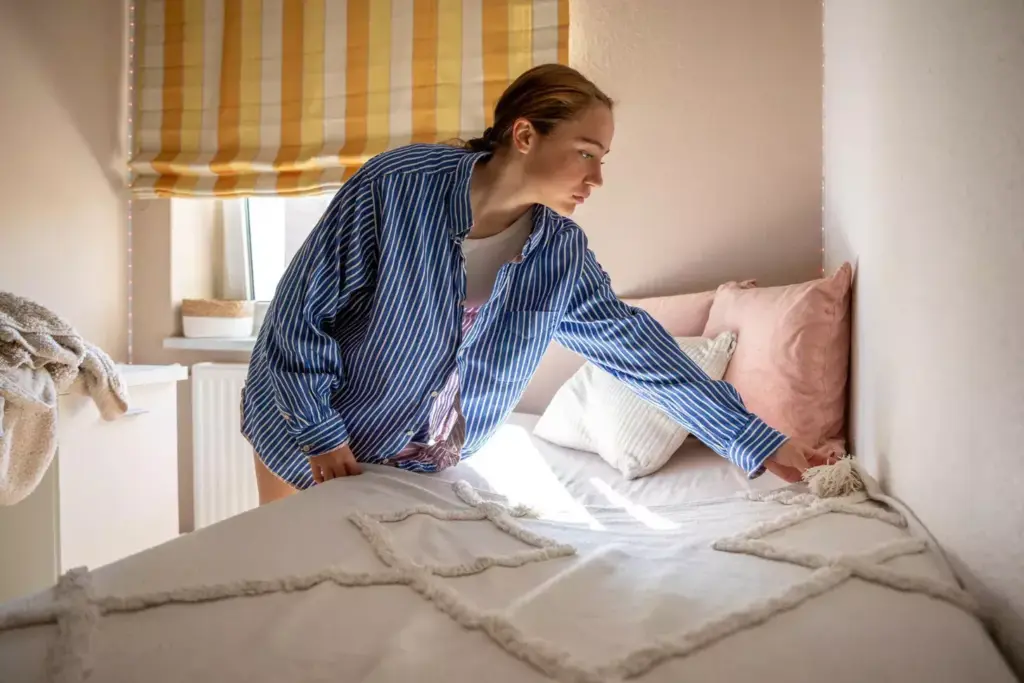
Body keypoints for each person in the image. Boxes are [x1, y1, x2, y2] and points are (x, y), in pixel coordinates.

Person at [241, 64, 827, 505]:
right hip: (308, 433)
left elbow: (645, 356)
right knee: (281, 603)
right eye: (585, 154)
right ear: (525, 136)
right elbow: (298, 317)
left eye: (603, 159)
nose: (597, 177)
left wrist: (757, 440)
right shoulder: (397, 188)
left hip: (419, 463)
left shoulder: (560, 256)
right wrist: (319, 434)